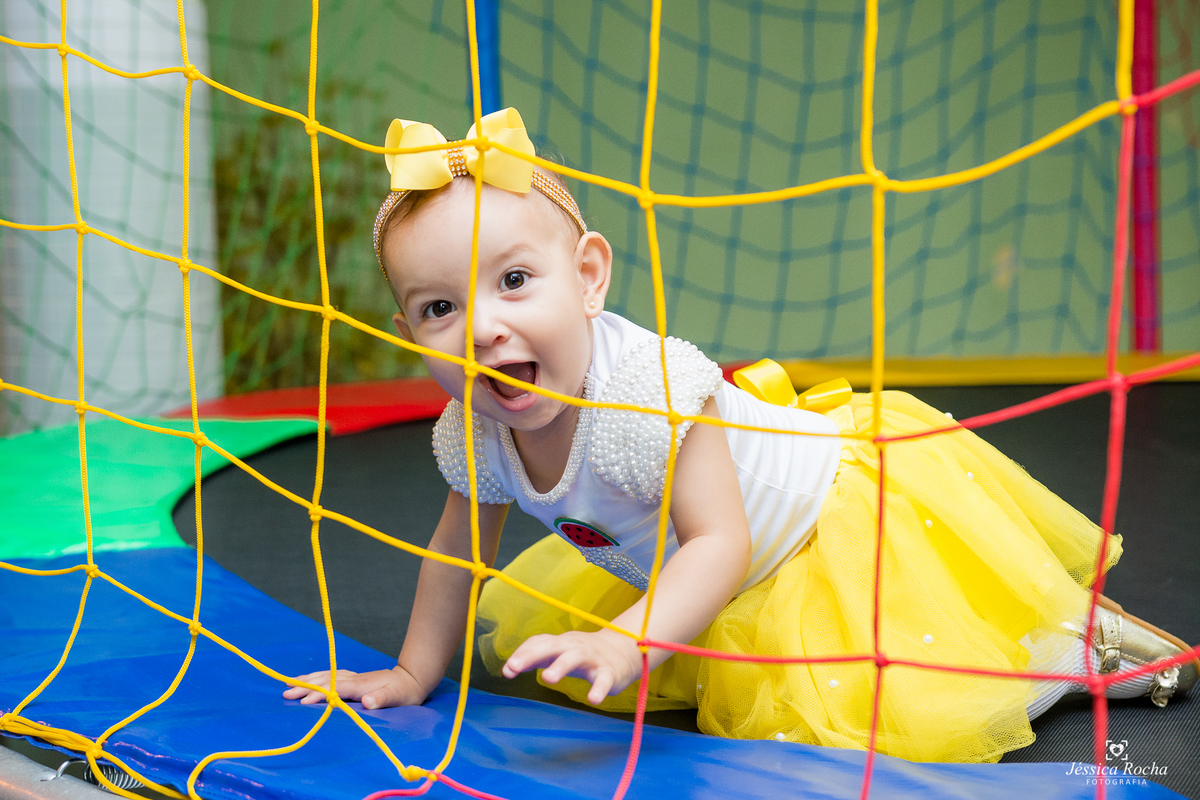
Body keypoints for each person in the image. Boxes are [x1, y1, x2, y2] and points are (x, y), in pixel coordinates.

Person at [284, 109, 1197, 763]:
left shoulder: (652, 394)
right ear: (410, 331)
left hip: (813, 534)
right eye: (439, 307)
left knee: (890, 695)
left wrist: (631, 644)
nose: (482, 328)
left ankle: (1071, 642)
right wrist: (409, 673)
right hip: (692, 567)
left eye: (515, 281)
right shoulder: (472, 432)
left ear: (590, 274)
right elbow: (455, 553)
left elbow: (721, 544)